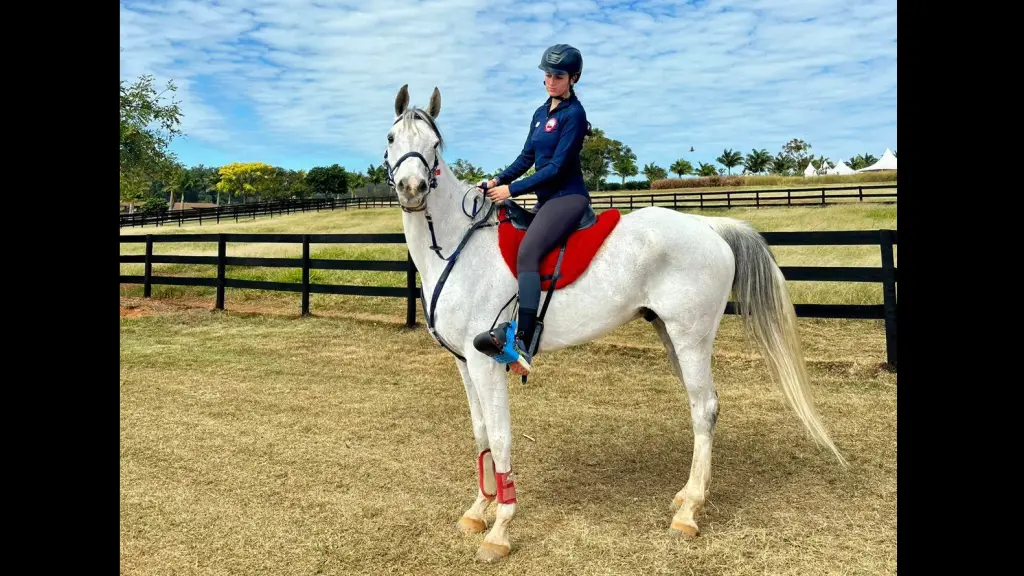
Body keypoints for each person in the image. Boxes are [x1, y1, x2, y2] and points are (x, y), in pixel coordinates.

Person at [476, 43, 592, 376]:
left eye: (559, 76)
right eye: (548, 75)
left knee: (527, 253)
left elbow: (556, 167)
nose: (552, 81)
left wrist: (511, 189)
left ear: (573, 78)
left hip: (567, 198)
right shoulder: (541, 114)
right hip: (545, 200)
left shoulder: (574, 115)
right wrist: (498, 178)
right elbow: (527, 158)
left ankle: (524, 341)